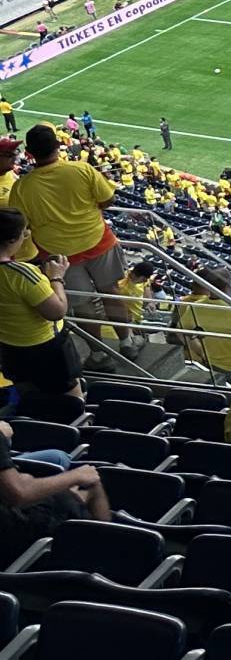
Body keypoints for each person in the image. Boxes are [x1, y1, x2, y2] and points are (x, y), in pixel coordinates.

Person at [10, 123, 130, 333]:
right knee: (110, 291)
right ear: (58, 146)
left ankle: (99, 353)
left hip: (57, 253)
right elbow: (108, 199)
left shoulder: (21, 187)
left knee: (81, 303)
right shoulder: (82, 169)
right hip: (97, 240)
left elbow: (21, 223)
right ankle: (127, 341)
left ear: (29, 153)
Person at [0, 418, 110, 563]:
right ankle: (104, 555)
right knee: (90, 483)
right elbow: (19, 494)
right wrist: (76, 476)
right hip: (10, 533)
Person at [0, 207, 77, 410]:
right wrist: (56, 277)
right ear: (11, 240)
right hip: (44, 347)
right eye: (24, 233)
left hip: (9, 347)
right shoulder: (22, 274)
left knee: (29, 395)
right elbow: (56, 311)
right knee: (73, 402)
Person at [173, 267, 231, 387]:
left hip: (213, 365)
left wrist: (200, 351)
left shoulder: (196, 306)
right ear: (229, 285)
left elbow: (180, 330)